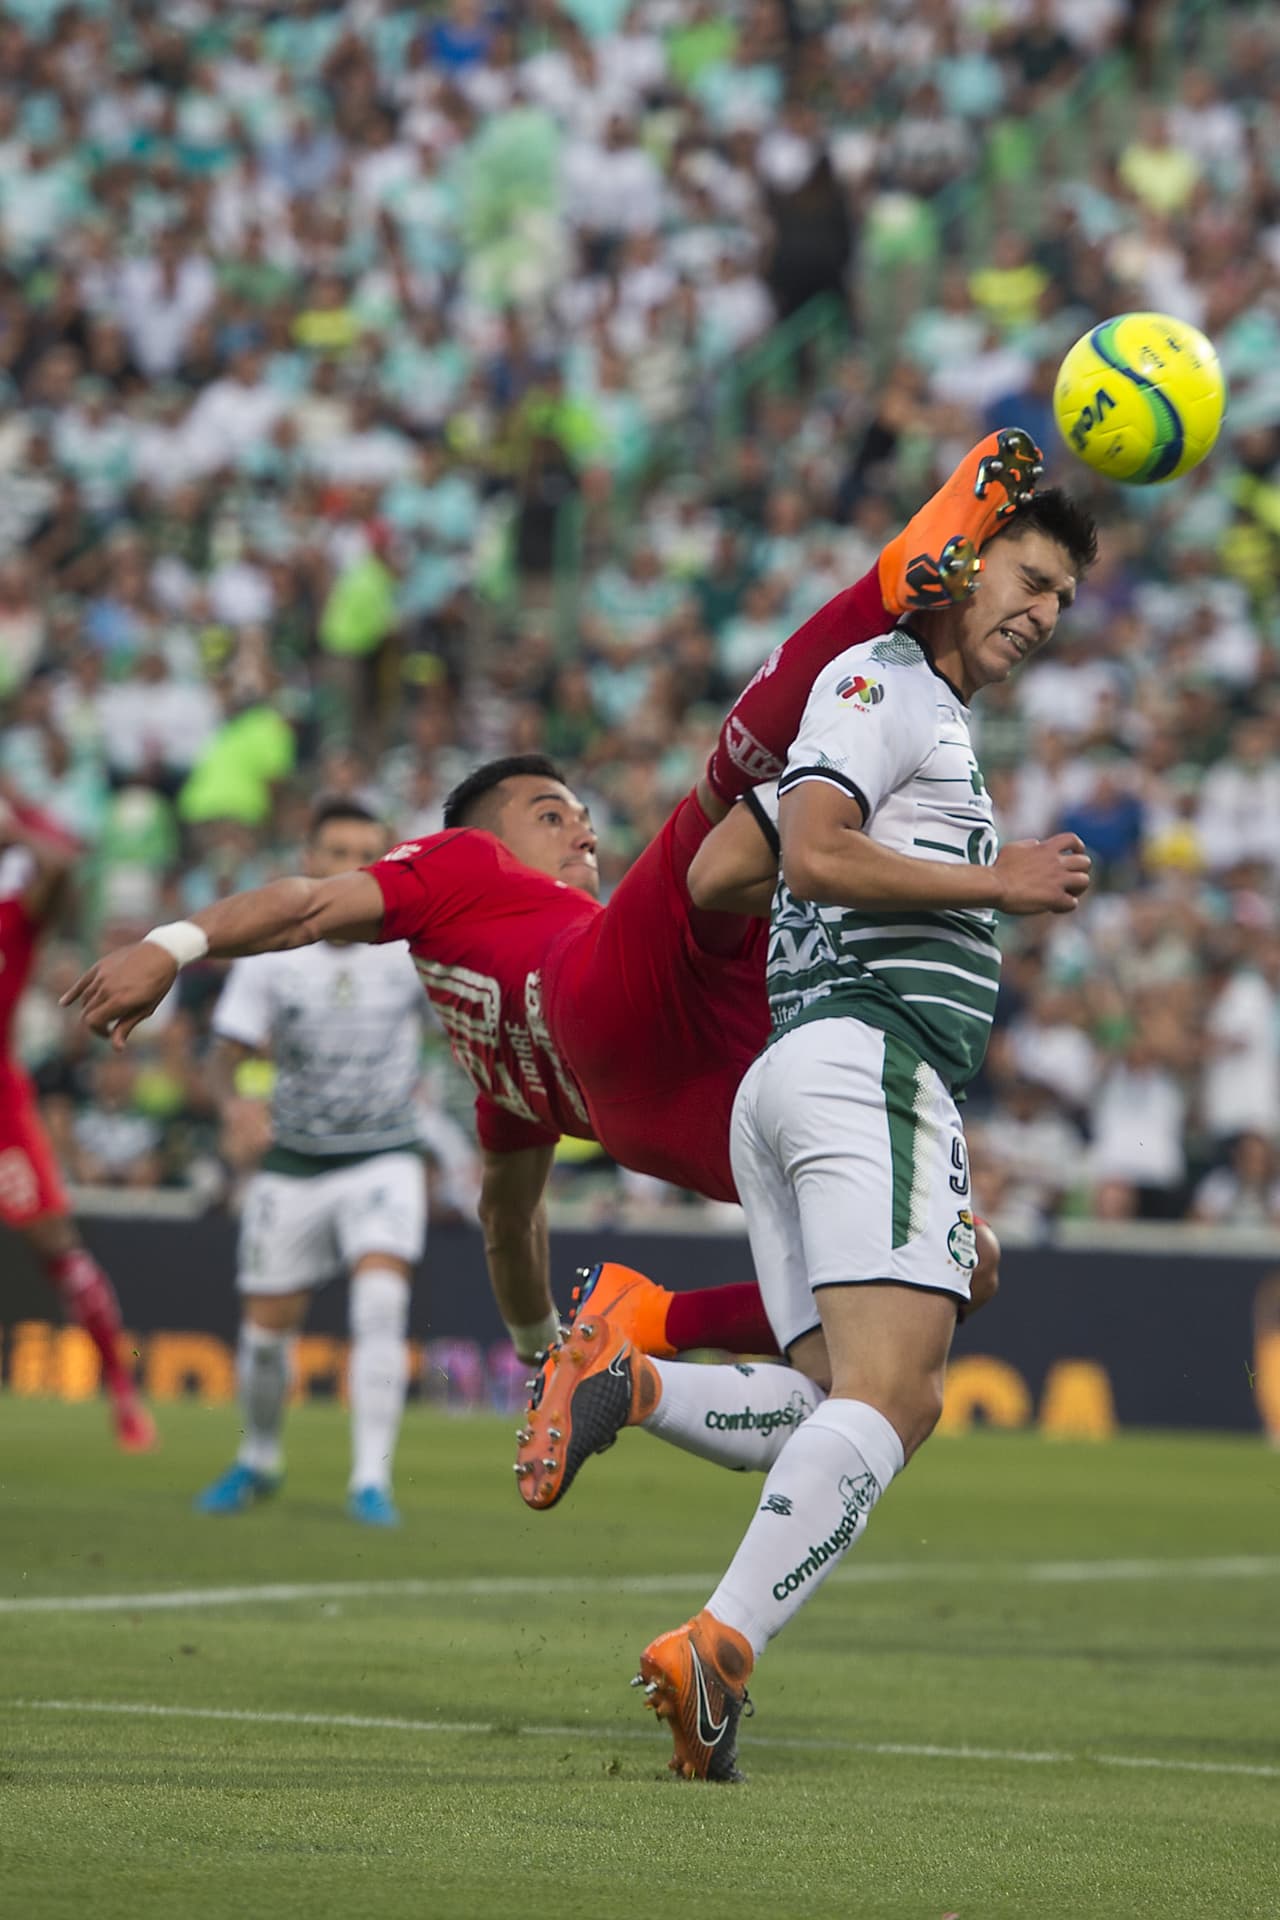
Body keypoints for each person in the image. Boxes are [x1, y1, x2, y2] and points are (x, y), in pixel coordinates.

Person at [62, 433, 1040, 1370]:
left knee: (950, 1262)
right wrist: (172, 944)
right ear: (484, 834)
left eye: (579, 816)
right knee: (715, 803)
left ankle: (635, 1331)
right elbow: (309, 907)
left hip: (688, 1095)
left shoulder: (497, 1085)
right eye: (549, 813)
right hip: (613, 993)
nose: (582, 832)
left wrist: (536, 1350)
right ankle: (895, 595)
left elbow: (505, 1220)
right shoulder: (460, 867)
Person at [516, 489, 1098, 1782]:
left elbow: (733, 867)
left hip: (796, 1081)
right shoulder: (888, 680)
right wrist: (991, 881)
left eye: (1062, 598)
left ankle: (635, 1377)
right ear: (962, 561)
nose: (1045, 613)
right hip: (864, 1064)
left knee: (847, 1391)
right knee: (899, 1394)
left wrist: (805, 855)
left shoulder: (894, 708)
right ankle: (719, 1644)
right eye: (1032, 576)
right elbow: (822, 855)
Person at [193, 800, 431, 1526]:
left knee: (381, 1304)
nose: (349, 865)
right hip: (294, 1161)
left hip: (385, 1154)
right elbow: (222, 1058)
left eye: (365, 852)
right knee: (266, 1338)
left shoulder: (411, 950)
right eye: (335, 850)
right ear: (309, 857)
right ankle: (259, 1458)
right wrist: (233, 1106)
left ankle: (370, 1480)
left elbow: (466, 1023)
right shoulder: (272, 957)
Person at [0, 795, 156, 1451]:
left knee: (57, 1243)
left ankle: (122, 1392)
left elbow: (64, 870)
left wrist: (17, 829)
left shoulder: (14, 909)